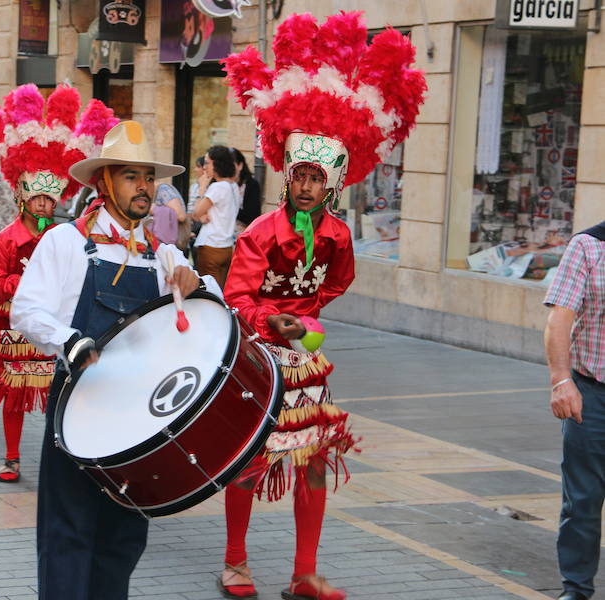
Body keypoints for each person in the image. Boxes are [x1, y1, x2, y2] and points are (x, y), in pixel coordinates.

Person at [218, 12, 426, 600]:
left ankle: (304, 570)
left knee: (311, 457)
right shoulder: (259, 230)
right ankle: (236, 561)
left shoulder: (338, 234)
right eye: (300, 175)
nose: (306, 186)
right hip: (258, 355)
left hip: (306, 362)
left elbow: (338, 282)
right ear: (287, 175)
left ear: (332, 183)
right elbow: (237, 296)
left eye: (317, 178)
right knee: (252, 458)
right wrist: (269, 321)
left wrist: (306, 318)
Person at [11, 120, 202, 600]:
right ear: (104, 182)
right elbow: (25, 309)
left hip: (137, 414)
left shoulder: (164, 256)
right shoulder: (65, 242)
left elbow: (209, 316)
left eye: (149, 177)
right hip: (78, 405)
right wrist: (68, 339)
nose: (145, 188)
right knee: (69, 530)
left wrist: (198, 287)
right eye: (132, 176)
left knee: (124, 535)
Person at [0, 84, 117, 483]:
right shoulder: (7, 238)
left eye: (48, 200)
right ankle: (12, 456)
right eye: (36, 198)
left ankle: (64, 454)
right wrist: (26, 284)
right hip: (16, 327)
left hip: (61, 327)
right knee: (15, 394)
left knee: (64, 391)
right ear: (22, 197)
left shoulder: (69, 237)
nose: (42, 205)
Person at [545, 221, 605, 600]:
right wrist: (561, 380)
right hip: (594, 393)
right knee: (582, 500)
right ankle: (577, 589)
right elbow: (559, 318)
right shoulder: (589, 245)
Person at [191, 145, 240, 287]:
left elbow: (196, 212)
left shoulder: (218, 187)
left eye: (207, 163)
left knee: (210, 293)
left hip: (211, 247)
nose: (205, 167)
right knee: (221, 292)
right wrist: (202, 216)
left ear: (217, 164)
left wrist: (201, 187)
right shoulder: (233, 186)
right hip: (226, 247)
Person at [152, 180, 189, 249]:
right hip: (162, 244)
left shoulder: (163, 188)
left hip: (168, 243)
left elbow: (181, 215)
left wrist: (153, 209)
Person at [231, 148, 262, 230]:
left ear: (240, 165)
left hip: (242, 234)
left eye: (231, 166)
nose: (227, 169)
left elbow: (252, 217)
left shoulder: (251, 185)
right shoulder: (219, 184)